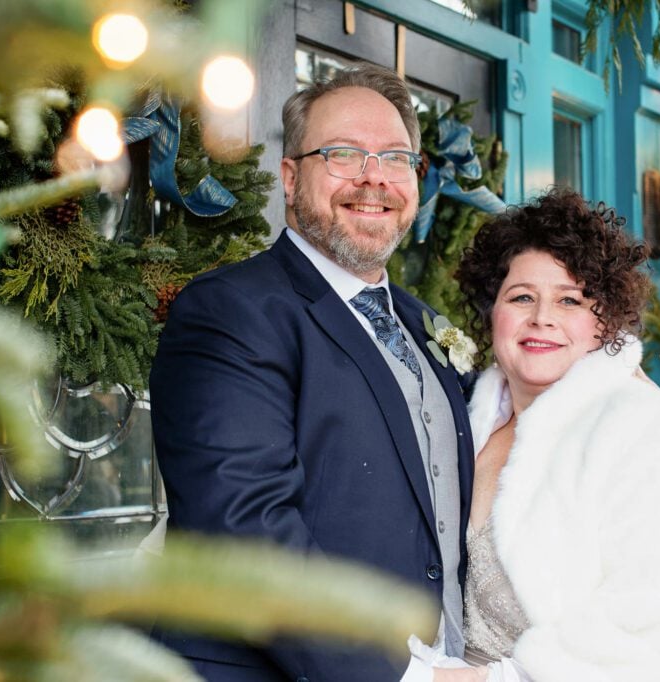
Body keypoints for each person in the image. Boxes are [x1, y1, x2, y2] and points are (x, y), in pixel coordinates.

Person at [149, 63, 475, 681]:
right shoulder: (231, 312)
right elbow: (243, 528)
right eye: (344, 153)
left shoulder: (424, 324)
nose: (373, 176)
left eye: (395, 157)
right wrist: (407, 675)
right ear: (291, 176)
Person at [408, 188, 660, 681]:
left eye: (570, 300)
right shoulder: (467, 422)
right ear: (491, 310)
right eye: (521, 297)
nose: (542, 318)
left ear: (605, 322)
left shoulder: (650, 434)